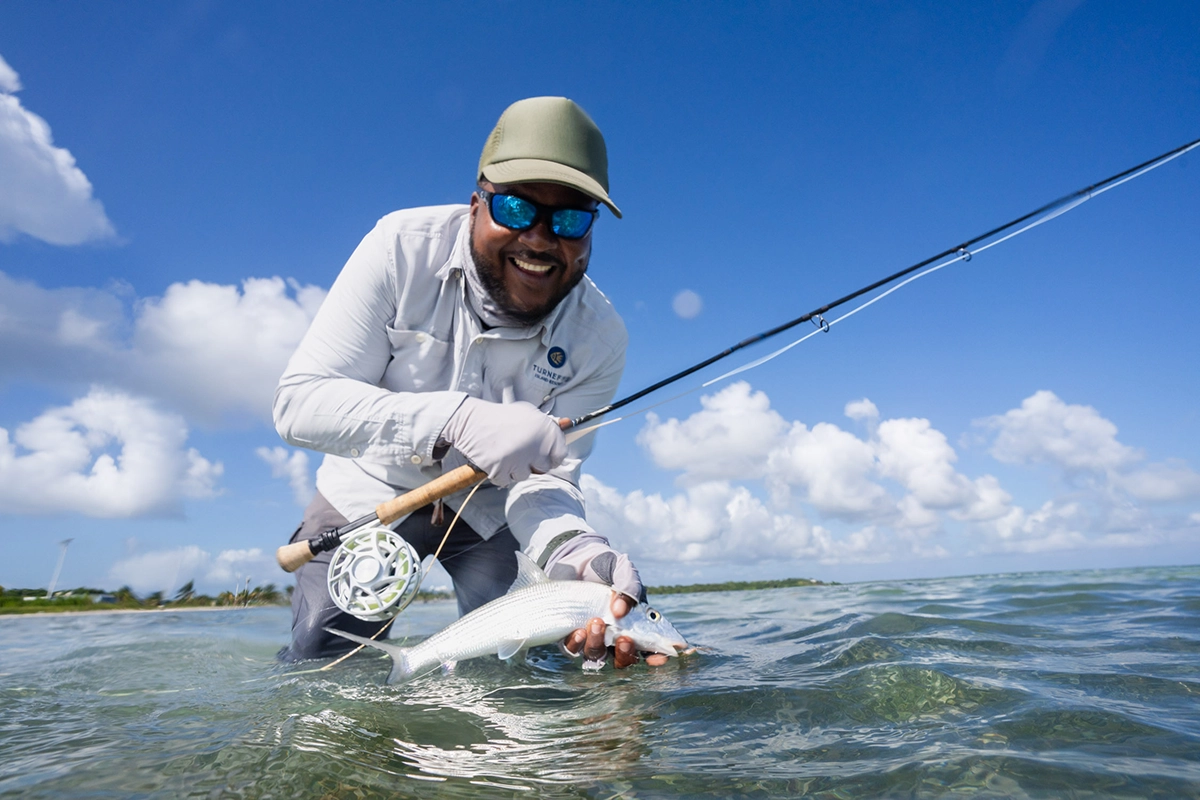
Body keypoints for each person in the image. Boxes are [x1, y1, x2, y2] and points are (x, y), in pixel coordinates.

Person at [274, 96, 652, 668]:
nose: (542, 239)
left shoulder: (602, 339)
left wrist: (573, 549)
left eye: (571, 219)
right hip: (372, 490)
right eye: (518, 210)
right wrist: (456, 419)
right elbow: (300, 403)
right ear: (477, 203)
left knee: (506, 674)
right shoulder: (398, 249)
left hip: (495, 514)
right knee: (319, 664)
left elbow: (551, 480)